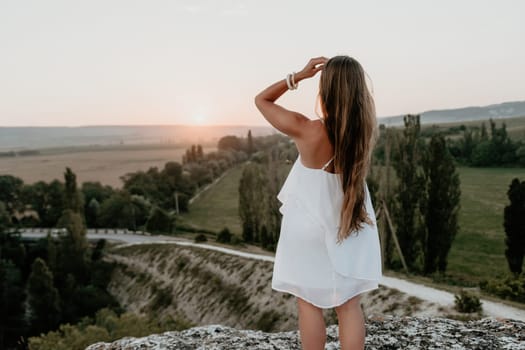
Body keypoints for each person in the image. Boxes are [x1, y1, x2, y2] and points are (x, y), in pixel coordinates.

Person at [254, 55, 383, 350]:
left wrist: (298, 76)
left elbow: (262, 100)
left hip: (306, 224)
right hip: (349, 220)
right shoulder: (363, 132)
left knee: (308, 303)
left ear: (326, 89)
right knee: (349, 305)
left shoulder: (307, 129)